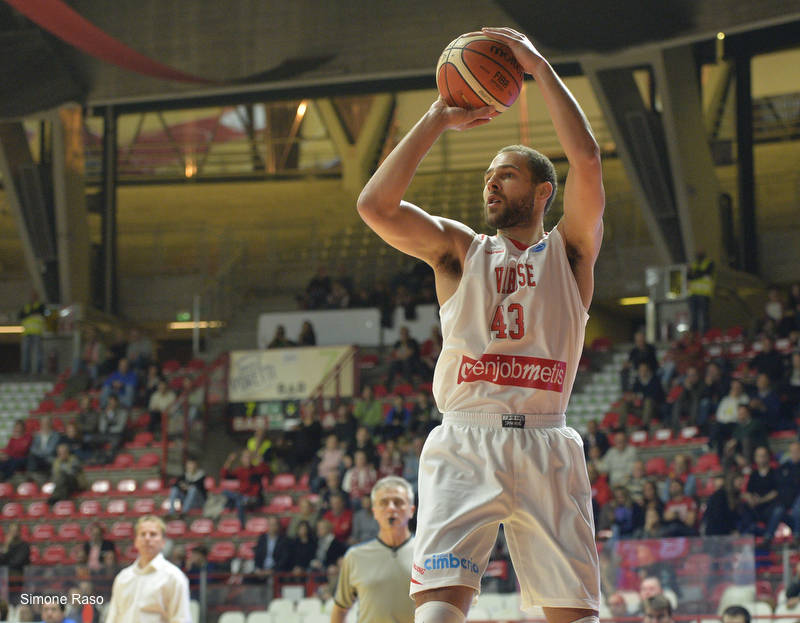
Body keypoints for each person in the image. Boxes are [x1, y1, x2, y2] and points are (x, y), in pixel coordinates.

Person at [356, 25, 604, 622]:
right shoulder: (459, 252)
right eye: (487, 175)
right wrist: (438, 117)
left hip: (548, 440)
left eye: (507, 174)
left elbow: (588, 160)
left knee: (575, 617)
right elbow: (375, 207)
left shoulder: (570, 254)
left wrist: (539, 68)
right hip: (466, 440)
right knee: (438, 616)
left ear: (544, 191)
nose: (490, 182)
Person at [331, 476, 417, 623]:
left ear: (411, 510)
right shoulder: (355, 556)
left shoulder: (427, 553)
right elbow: (340, 609)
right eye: (383, 503)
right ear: (374, 511)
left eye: (398, 502)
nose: (391, 508)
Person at [106, 515, 191, 623]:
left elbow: (181, 619)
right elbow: (113, 617)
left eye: (153, 534)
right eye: (142, 534)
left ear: (163, 542)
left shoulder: (174, 578)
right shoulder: (122, 577)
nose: (147, 538)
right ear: (136, 541)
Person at [687, 249, 714, 335]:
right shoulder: (693, 264)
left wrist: (695, 274)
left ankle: (705, 333)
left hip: (704, 294)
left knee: (704, 316)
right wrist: (696, 274)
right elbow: (689, 276)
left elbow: (704, 273)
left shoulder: (709, 263)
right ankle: (694, 334)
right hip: (693, 294)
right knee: (694, 316)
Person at [19, 291, 46, 375]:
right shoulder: (26, 306)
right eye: (32, 296)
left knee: (38, 352)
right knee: (25, 352)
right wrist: (32, 314)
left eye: (34, 296)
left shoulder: (40, 306)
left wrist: (29, 314)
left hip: (36, 331)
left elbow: (43, 314)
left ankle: (39, 370)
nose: (33, 298)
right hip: (27, 332)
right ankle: (25, 370)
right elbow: (20, 316)